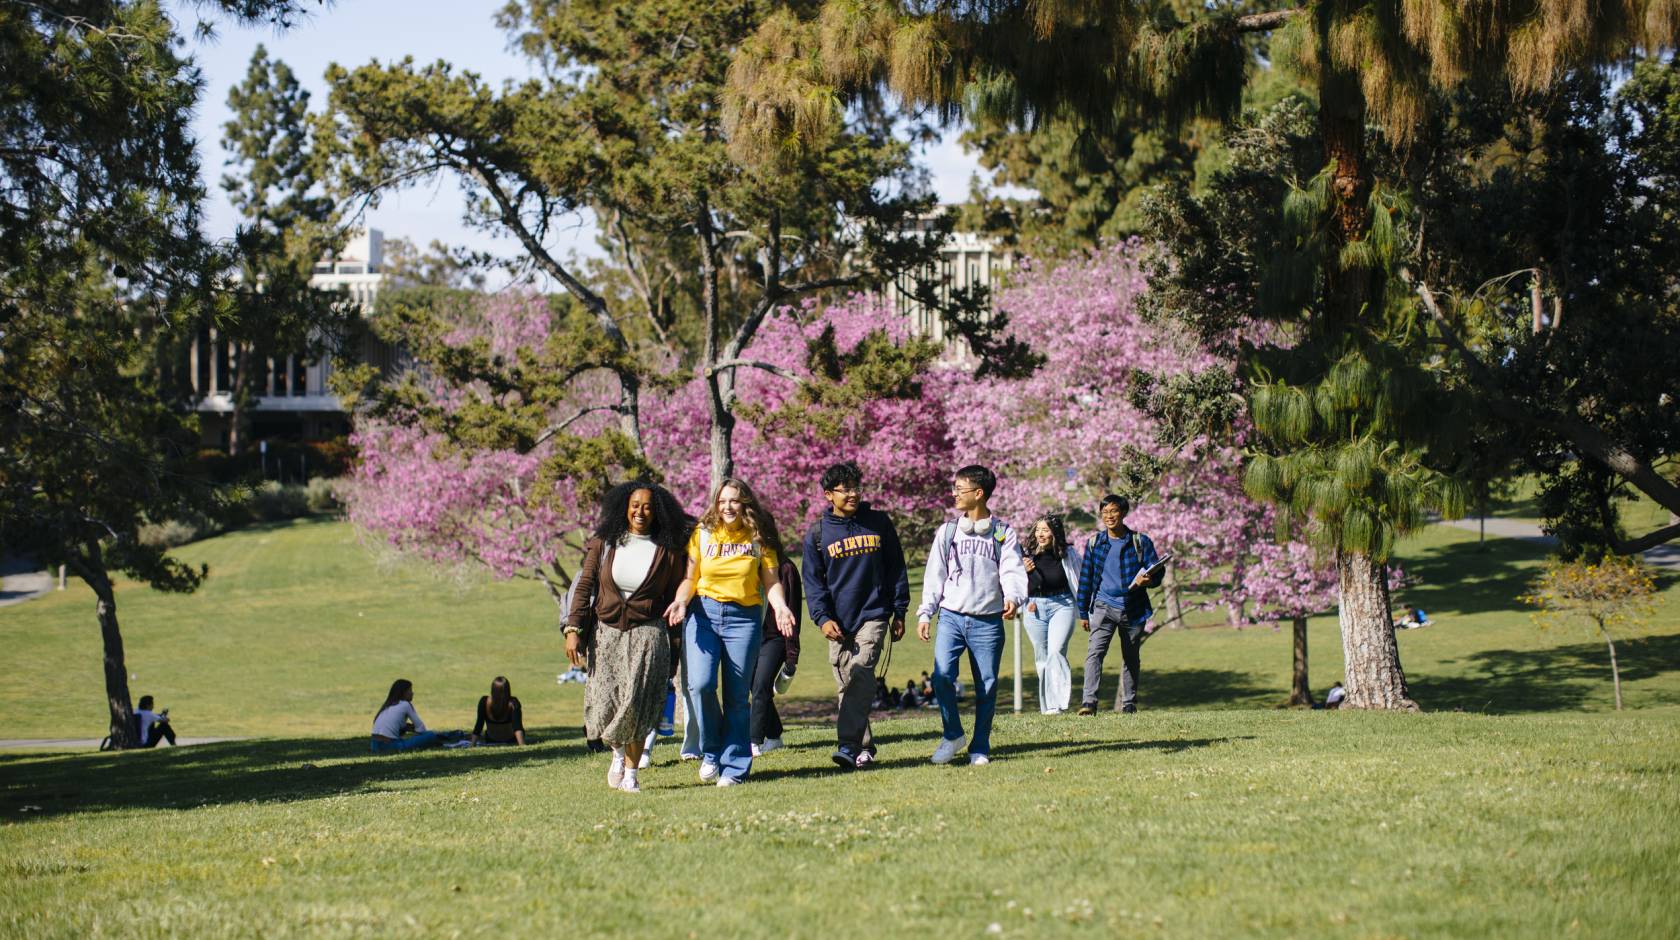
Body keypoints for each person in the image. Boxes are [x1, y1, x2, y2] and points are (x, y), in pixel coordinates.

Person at [667, 478, 798, 788]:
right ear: (716, 503)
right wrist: (681, 601)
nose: (727, 506)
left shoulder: (758, 536)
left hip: (744, 618)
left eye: (734, 501)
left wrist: (780, 607)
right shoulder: (703, 533)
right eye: (722, 500)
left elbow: (771, 581)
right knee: (700, 685)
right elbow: (690, 577)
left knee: (738, 697)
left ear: (745, 504)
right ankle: (711, 750)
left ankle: (735, 767)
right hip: (704, 614)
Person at [565, 480, 692, 793]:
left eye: (648, 506)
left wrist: (674, 648)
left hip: (648, 634)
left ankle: (632, 776)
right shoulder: (605, 542)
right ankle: (618, 753)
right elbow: (584, 587)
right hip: (606, 634)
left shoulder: (668, 549)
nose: (641, 512)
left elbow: (676, 595)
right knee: (607, 702)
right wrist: (573, 629)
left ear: (657, 511)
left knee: (638, 704)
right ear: (624, 506)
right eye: (635, 505)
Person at [802, 461, 911, 771]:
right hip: (837, 621)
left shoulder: (878, 523)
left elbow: (896, 568)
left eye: (855, 487)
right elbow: (813, 583)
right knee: (846, 685)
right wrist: (823, 618)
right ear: (828, 495)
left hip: (874, 613)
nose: (852, 494)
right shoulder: (818, 535)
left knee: (861, 670)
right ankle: (862, 748)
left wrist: (899, 610)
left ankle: (847, 746)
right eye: (844, 489)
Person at [917, 464, 1028, 766]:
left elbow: (1013, 571)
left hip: (988, 621)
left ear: (978, 494)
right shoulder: (949, 531)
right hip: (951, 616)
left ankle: (980, 746)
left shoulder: (1003, 533)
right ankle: (952, 734)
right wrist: (926, 612)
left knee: (987, 685)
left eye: (959, 489)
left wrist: (1014, 598)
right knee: (941, 678)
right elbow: (934, 574)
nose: (953, 494)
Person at [1076, 494, 1163, 715]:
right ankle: (1088, 702)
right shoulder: (1095, 543)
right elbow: (1086, 578)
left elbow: (1157, 570)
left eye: (1113, 511)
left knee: (1131, 656)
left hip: (1132, 607)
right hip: (1103, 607)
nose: (1109, 516)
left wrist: (1149, 580)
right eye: (1105, 512)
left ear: (1123, 513)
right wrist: (1083, 611)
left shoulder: (1140, 542)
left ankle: (1129, 703)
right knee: (1094, 653)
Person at [1021, 514, 1082, 715]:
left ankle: (1058, 704)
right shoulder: (1025, 555)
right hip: (1034, 607)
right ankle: (1048, 707)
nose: (1041, 534)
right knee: (1042, 657)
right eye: (1038, 530)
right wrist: (1023, 571)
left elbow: (1080, 580)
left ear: (1055, 533)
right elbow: (1012, 583)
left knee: (1056, 652)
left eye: (1045, 530)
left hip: (1062, 605)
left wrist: (1085, 611)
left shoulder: (1068, 553)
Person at [751, 553, 803, 757]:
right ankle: (774, 736)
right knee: (754, 685)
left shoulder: (785, 568)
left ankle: (753, 740)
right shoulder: (746, 563)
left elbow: (793, 612)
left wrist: (792, 655)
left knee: (760, 685)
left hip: (775, 637)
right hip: (751, 635)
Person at [371, 679, 456, 753]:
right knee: (430, 735)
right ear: (403, 693)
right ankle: (456, 737)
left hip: (374, 746)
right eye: (410, 690)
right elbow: (421, 729)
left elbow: (395, 727)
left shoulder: (387, 705)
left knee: (426, 737)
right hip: (391, 746)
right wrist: (414, 731)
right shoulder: (405, 704)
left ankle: (450, 737)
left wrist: (407, 728)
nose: (412, 693)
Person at [470, 676, 527, 746]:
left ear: (492, 689)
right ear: (508, 690)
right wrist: (522, 745)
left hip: (491, 739)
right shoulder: (513, 702)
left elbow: (479, 725)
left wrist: (472, 745)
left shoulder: (484, 701)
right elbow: (518, 727)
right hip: (510, 739)